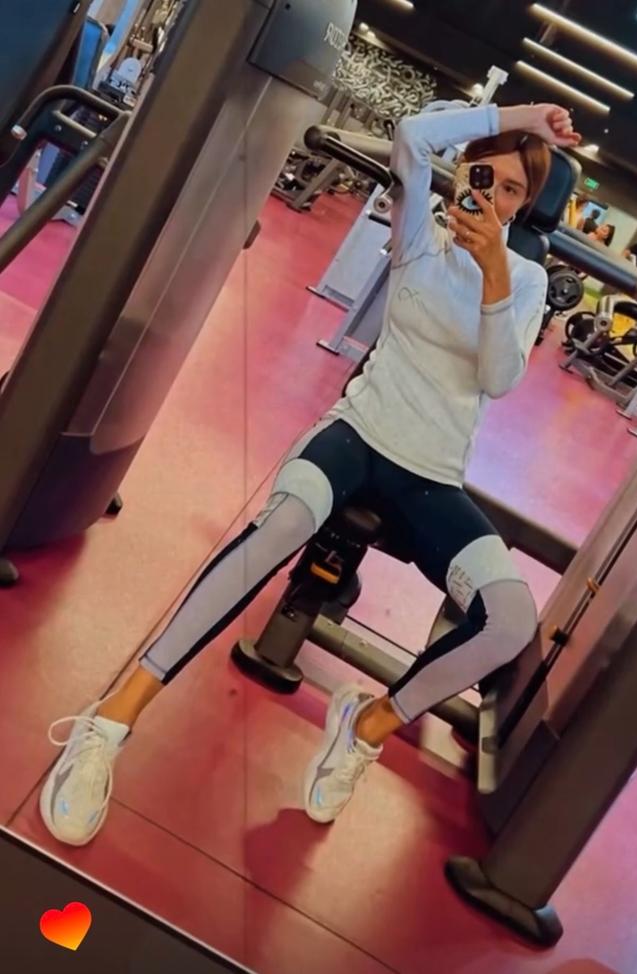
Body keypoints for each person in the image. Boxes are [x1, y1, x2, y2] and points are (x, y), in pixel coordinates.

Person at [39, 101, 580, 845]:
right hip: (356, 435)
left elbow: (498, 378)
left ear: (526, 206)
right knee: (283, 525)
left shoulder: (523, 278)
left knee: (512, 619)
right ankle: (110, 720)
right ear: (464, 170)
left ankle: (368, 724)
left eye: (515, 190)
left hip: (430, 477)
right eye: (487, 176)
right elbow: (412, 134)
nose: (496, 196)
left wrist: (492, 272)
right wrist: (520, 116)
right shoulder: (419, 231)